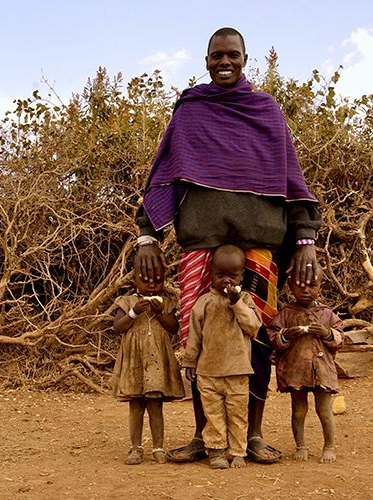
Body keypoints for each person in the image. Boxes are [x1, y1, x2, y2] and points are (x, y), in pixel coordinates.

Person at [135, 26, 322, 464]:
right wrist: (147, 235)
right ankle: (205, 435)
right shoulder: (190, 111)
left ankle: (251, 435)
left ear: (244, 58)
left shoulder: (266, 111)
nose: (224, 62)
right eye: (216, 55)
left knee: (255, 343)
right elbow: (164, 175)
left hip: (259, 250)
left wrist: (306, 240)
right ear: (205, 61)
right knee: (201, 342)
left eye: (232, 55)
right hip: (202, 247)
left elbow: (293, 183)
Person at [182, 245, 262, 469]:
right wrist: (190, 361)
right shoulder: (204, 302)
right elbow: (194, 336)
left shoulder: (245, 301)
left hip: (237, 371)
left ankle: (238, 452)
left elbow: (253, 326)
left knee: (237, 414)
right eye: (220, 275)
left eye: (233, 276)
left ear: (241, 276)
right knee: (213, 415)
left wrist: (236, 303)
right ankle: (216, 451)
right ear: (211, 273)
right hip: (208, 371)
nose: (226, 280)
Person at [112, 265, 185, 465]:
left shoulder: (167, 303)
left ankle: (158, 447)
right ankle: (135, 448)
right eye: (145, 280)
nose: (152, 285)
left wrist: (161, 313)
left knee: (155, 405)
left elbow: (174, 328)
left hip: (157, 363)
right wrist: (134, 313)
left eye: (158, 280)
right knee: (135, 406)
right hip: (135, 361)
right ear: (135, 280)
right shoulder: (126, 302)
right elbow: (118, 327)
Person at [267, 272, 343, 463]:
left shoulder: (326, 314)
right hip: (296, 370)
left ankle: (329, 446)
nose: (306, 290)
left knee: (324, 410)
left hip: (322, 369)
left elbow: (340, 338)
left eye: (312, 285)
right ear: (290, 287)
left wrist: (327, 333)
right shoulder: (286, 313)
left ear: (320, 286)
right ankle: (301, 445)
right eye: (300, 285)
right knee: (299, 410)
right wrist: (286, 335)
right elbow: (273, 336)